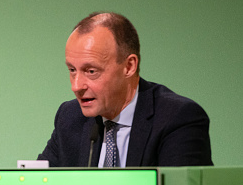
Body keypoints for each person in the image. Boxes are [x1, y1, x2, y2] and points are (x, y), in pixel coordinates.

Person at [38, 12, 213, 167]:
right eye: (72, 70)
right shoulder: (70, 118)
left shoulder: (176, 118)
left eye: (91, 71)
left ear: (129, 66)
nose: (76, 86)